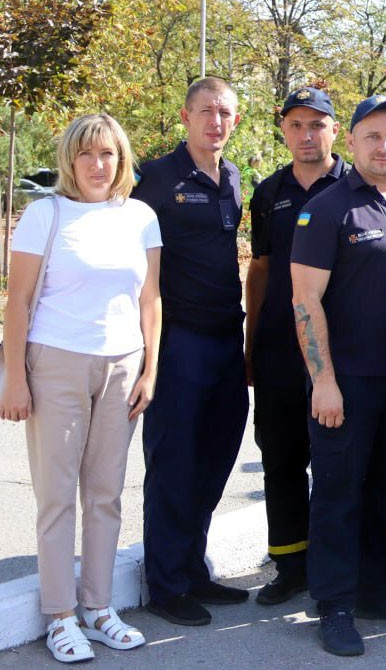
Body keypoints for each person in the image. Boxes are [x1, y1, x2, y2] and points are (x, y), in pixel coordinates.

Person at [1, 114, 161, 663]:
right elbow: (17, 302)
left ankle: (97, 607)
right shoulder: (46, 214)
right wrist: (14, 378)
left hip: (122, 365)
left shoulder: (140, 216)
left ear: (122, 160)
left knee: (105, 493)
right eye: (87, 154)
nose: (98, 165)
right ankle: (60, 615)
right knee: (56, 496)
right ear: (70, 160)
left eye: (109, 154)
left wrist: (149, 370)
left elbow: (150, 301)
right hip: (56, 364)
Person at [291, 94, 386, 657]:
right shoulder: (327, 209)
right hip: (344, 383)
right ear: (351, 142)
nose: (384, 146)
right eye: (372, 136)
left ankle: (378, 589)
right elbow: (305, 299)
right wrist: (323, 380)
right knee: (337, 495)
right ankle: (334, 605)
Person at [132, 77, 250, 626]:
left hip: (228, 338)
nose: (215, 122)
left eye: (225, 113)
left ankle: (194, 567)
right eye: (206, 112)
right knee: (174, 463)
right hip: (179, 343)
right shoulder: (155, 178)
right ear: (185, 116)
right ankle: (166, 583)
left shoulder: (233, 178)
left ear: (236, 120)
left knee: (215, 459)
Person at [245, 87, 349, 606]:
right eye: (296, 125)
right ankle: (289, 564)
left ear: (335, 129)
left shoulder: (357, 183)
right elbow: (259, 271)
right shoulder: (268, 192)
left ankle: (339, 565)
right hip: (280, 353)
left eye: (317, 124)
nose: (307, 135)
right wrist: (251, 344)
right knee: (281, 458)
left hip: (340, 353)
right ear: (284, 130)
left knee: (340, 464)